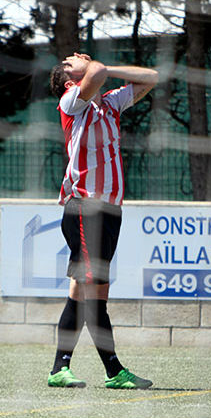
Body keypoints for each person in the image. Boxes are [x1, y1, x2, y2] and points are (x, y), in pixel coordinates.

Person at [48, 52, 158, 389]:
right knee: (93, 291)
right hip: (85, 208)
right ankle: (113, 371)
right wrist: (97, 68)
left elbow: (151, 76)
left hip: (109, 212)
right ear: (70, 82)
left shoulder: (108, 103)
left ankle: (60, 369)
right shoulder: (71, 103)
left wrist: (107, 71)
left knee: (85, 293)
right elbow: (95, 70)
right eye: (70, 61)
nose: (77, 55)